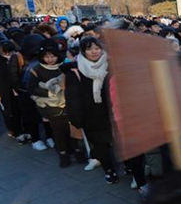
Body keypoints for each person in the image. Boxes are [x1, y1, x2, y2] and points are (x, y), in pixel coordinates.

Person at [64, 37, 118, 183]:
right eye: (89, 49)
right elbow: (72, 97)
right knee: (100, 145)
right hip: (90, 114)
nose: (94, 52)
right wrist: (76, 118)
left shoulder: (110, 65)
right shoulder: (76, 70)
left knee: (118, 141)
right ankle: (109, 169)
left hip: (112, 110)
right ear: (83, 51)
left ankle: (130, 167)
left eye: (97, 48)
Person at [29, 39, 71, 166]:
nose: (50, 59)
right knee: (58, 131)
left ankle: (74, 150)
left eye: (53, 56)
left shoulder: (64, 66)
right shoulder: (36, 69)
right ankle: (63, 154)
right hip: (49, 105)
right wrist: (51, 93)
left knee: (70, 129)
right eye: (46, 57)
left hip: (67, 102)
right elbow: (32, 88)